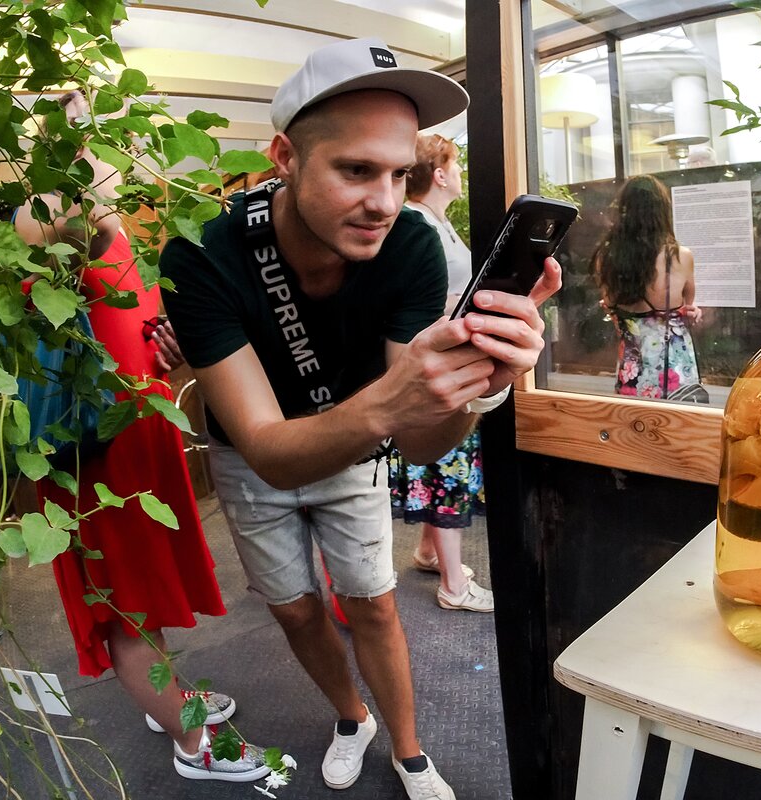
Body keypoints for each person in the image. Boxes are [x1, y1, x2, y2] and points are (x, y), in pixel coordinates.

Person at [158, 37, 560, 800]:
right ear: (285, 157)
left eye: (400, 173)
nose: (384, 201)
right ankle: (352, 717)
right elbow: (270, 450)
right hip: (251, 457)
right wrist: (396, 396)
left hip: (356, 450)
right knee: (295, 610)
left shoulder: (411, 246)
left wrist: (477, 388)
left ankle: (409, 751)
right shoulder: (203, 253)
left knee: (372, 602)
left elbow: (420, 441)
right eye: (355, 170)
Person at [17, 90, 269, 783]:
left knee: (144, 591)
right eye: (93, 132)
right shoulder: (46, 214)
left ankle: (172, 701)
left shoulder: (108, 217)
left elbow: (118, 315)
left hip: (134, 430)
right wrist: (70, 141)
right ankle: (196, 746)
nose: (114, 147)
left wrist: (163, 344)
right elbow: (79, 229)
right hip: (94, 447)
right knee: (126, 604)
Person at [390, 134, 492, 613]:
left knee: (445, 458)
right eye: (455, 165)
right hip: (440, 364)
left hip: (452, 358)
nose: (460, 173)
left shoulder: (435, 221)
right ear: (439, 174)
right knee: (448, 461)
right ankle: (454, 585)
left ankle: (429, 552)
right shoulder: (417, 224)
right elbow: (415, 301)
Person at [591, 174, 704, 400]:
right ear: (662, 211)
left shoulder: (607, 258)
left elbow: (611, 308)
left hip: (632, 367)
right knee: (678, 418)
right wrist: (691, 312)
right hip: (675, 369)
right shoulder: (680, 257)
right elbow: (687, 306)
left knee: (633, 419)